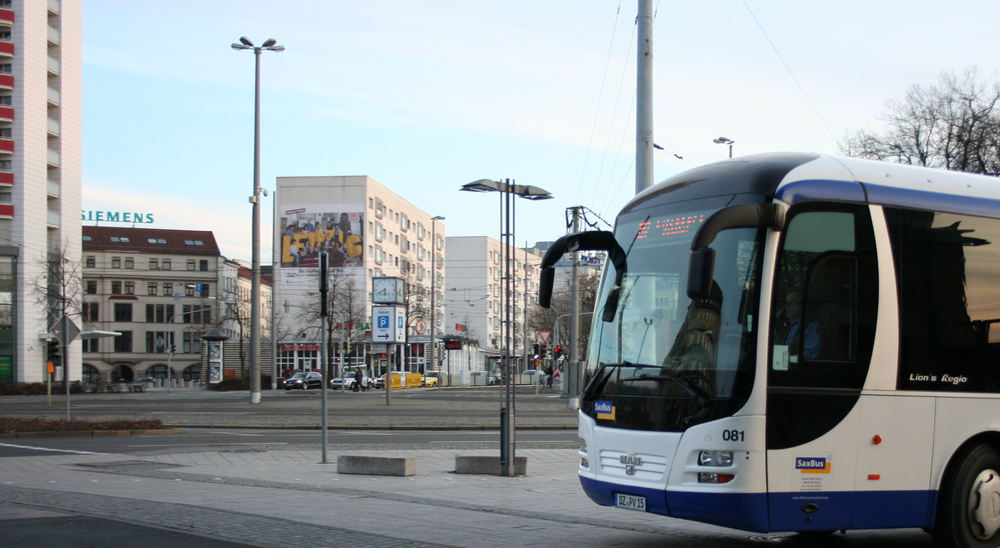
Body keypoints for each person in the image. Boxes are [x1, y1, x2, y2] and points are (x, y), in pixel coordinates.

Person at [777, 290, 821, 360]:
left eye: (792, 302)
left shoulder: (811, 326)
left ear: (802, 305)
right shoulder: (784, 326)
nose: (787, 306)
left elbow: (811, 354)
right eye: (786, 303)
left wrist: (787, 359)